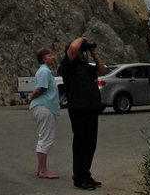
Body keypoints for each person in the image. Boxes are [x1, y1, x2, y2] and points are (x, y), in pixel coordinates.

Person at [58, 36, 106, 191]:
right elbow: (72, 48)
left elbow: (101, 69)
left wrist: (93, 53)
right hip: (79, 108)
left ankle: (86, 174)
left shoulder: (85, 66)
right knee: (81, 143)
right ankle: (79, 178)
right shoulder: (68, 65)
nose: (80, 52)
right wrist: (82, 39)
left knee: (91, 143)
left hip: (91, 108)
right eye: (80, 50)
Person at [26, 48, 61, 179]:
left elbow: (39, 88)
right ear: (44, 59)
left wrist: (31, 96)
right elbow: (41, 89)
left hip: (44, 107)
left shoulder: (44, 72)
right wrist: (31, 97)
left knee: (45, 136)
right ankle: (42, 170)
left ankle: (42, 169)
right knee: (46, 137)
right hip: (44, 107)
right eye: (49, 55)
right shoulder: (45, 71)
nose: (53, 57)